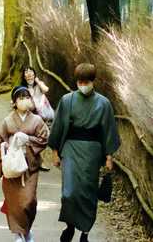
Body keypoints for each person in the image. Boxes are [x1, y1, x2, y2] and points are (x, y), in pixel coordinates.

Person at [47, 63, 120, 242]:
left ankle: (85, 232)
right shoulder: (67, 100)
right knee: (69, 192)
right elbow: (58, 127)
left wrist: (109, 156)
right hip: (71, 148)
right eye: (80, 81)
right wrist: (56, 152)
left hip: (93, 151)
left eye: (86, 81)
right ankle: (70, 225)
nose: (83, 85)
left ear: (92, 81)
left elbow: (109, 130)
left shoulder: (103, 103)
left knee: (88, 192)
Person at [0, 86, 51, 242]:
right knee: (14, 202)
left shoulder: (36, 120)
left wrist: (28, 139)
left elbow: (44, 139)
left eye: (27, 98)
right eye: (21, 98)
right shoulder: (8, 120)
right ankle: (18, 233)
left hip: (30, 166)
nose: (25, 101)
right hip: (12, 167)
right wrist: (7, 149)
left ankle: (26, 230)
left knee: (29, 201)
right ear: (14, 102)